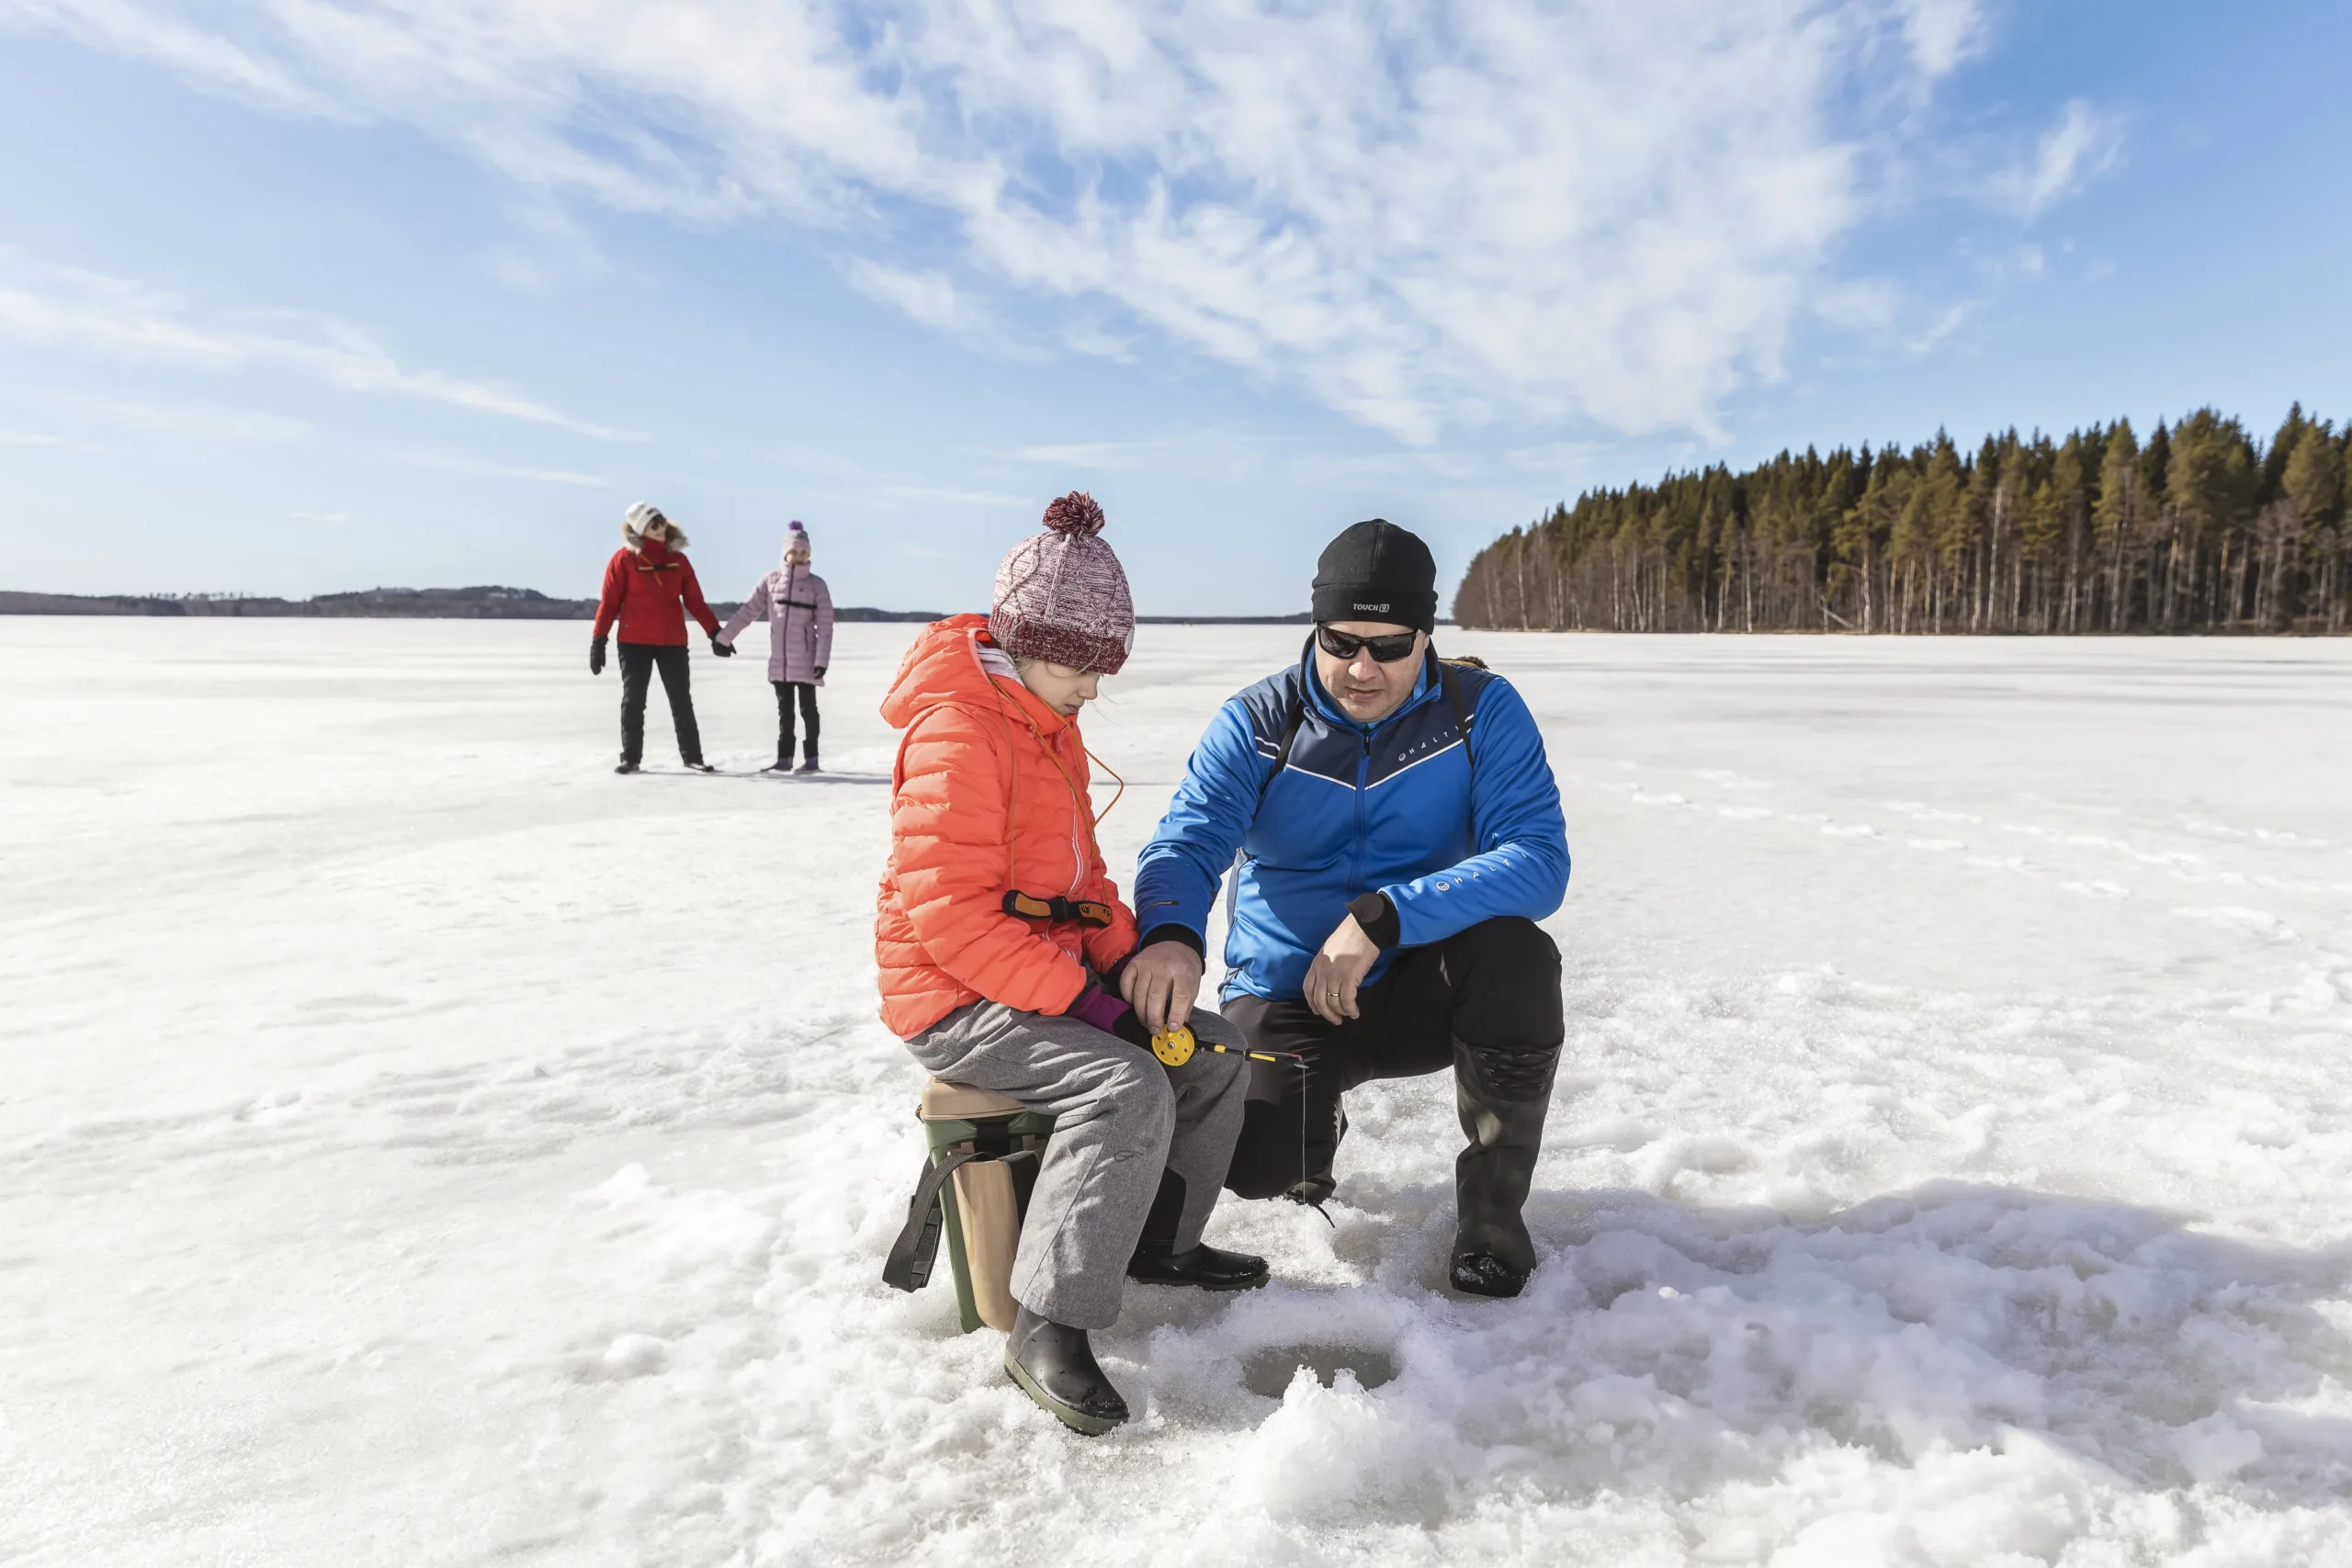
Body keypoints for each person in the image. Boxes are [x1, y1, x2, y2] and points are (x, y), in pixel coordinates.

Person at [876, 491, 1262, 1435]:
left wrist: (1130, 967)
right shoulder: (959, 731)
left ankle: (1160, 1247)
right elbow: (951, 917)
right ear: (1019, 640)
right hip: (953, 995)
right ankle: (1046, 1322)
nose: (1091, 688)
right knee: (1123, 1085)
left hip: (1035, 978)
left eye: (1103, 669)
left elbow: (1079, 885)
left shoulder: (1045, 724)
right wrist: (1094, 1013)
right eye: (1075, 666)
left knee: (1205, 1051)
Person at [1126, 519, 1571, 1299]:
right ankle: (1309, 1125)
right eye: (1341, 641)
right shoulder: (1261, 721)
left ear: (1426, 636)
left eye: (1390, 645)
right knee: (1262, 1165)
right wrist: (1170, 934)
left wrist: (1383, 916)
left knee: (1517, 955)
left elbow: (1538, 859)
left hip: (1426, 985)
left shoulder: (1480, 712)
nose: (1361, 667)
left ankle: (1494, 1220)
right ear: (1316, 628)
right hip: (1290, 993)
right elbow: (1187, 843)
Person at [590, 502, 730, 775]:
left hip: (672, 642)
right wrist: (599, 640)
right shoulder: (624, 559)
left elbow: (695, 602)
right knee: (634, 700)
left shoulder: (679, 560)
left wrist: (716, 633)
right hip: (634, 641)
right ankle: (631, 758)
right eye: (653, 523)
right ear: (641, 529)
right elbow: (608, 604)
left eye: (661, 520)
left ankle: (693, 757)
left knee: (681, 700)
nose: (660, 527)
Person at [718, 520, 835, 773]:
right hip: (780, 663)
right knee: (785, 713)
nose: (799, 557)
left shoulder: (817, 585)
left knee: (808, 710)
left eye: (804, 553)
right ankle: (784, 758)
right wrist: (724, 638)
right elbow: (748, 611)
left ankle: (812, 758)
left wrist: (821, 662)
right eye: (795, 551)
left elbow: (825, 626)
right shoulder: (770, 581)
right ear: (785, 552)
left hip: (807, 661)